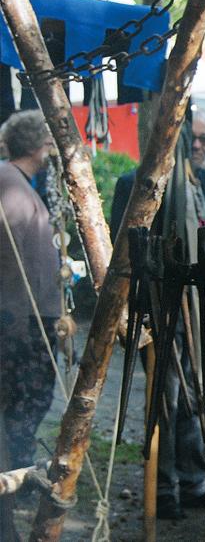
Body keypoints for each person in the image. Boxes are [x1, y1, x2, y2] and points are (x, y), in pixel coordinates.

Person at [109, 117, 205, 519]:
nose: (199, 145)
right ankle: (163, 488)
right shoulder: (136, 184)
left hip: (201, 306)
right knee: (163, 398)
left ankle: (195, 481)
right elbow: (123, 252)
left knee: (198, 396)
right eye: (193, 138)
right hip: (158, 307)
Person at [0, 111, 60, 473]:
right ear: (39, 146)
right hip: (23, 323)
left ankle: (14, 468)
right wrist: (14, 322)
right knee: (25, 399)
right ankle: (13, 472)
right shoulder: (9, 184)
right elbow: (7, 260)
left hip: (32, 318)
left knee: (33, 398)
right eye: (50, 143)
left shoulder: (18, 183)